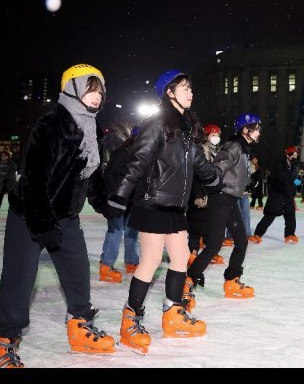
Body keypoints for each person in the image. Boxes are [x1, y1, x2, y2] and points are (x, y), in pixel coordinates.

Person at [0, 64, 117, 368]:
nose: (96, 96)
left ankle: (80, 326)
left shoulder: (92, 126)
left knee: (77, 271)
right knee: (20, 278)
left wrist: (104, 202)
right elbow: (34, 177)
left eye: (99, 90)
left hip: (66, 215)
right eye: (89, 88)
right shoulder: (52, 122)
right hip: (29, 214)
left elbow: (93, 171)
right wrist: (42, 221)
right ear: (72, 88)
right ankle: (4, 342)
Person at [108, 69, 220, 354]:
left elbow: (197, 161)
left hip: (175, 205)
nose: (190, 92)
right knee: (151, 259)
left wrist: (215, 178)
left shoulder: (187, 127)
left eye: (190, 88)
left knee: (181, 256)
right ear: (169, 92)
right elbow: (139, 160)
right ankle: (130, 318)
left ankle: (172, 314)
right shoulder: (156, 122)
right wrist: (120, 196)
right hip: (152, 202)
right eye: (184, 88)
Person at [185, 113, 261, 301]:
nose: (259, 132)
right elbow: (216, 169)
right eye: (256, 128)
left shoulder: (243, 148)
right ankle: (188, 280)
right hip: (221, 198)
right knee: (213, 246)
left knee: (241, 242)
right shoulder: (234, 146)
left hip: (230, 199)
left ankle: (232, 280)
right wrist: (214, 186)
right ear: (245, 130)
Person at [98, 127, 141, 283]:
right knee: (115, 232)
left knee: (132, 233)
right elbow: (109, 176)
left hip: (133, 201)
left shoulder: (141, 155)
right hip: (118, 201)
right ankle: (106, 266)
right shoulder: (122, 153)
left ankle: (131, 262)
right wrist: (117, 196)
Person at [186, 124, 225, 269]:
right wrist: (197, 194)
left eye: (217, 134)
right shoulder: (200, 150)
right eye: (213, 135)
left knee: (211, 224)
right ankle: (193, 251)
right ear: (206, 135)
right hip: (199, 192)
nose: (216, 137)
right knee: (196, 223)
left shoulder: (218, 152)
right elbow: (196, 174)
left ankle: (210, 251)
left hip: (213, 193)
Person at [250, 146, 299, 244]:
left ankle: (289, 234)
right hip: (278, 194)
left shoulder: (293, 165)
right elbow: (281, 178)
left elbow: (291, 179)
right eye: (294, 154)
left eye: (296, 154)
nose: (295, 156)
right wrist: (292, 180)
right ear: (289, 154)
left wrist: (294, 187)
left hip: (288, 195)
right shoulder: (280, 164)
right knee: (270, 215)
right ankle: (257, 234)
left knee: (290, 215)